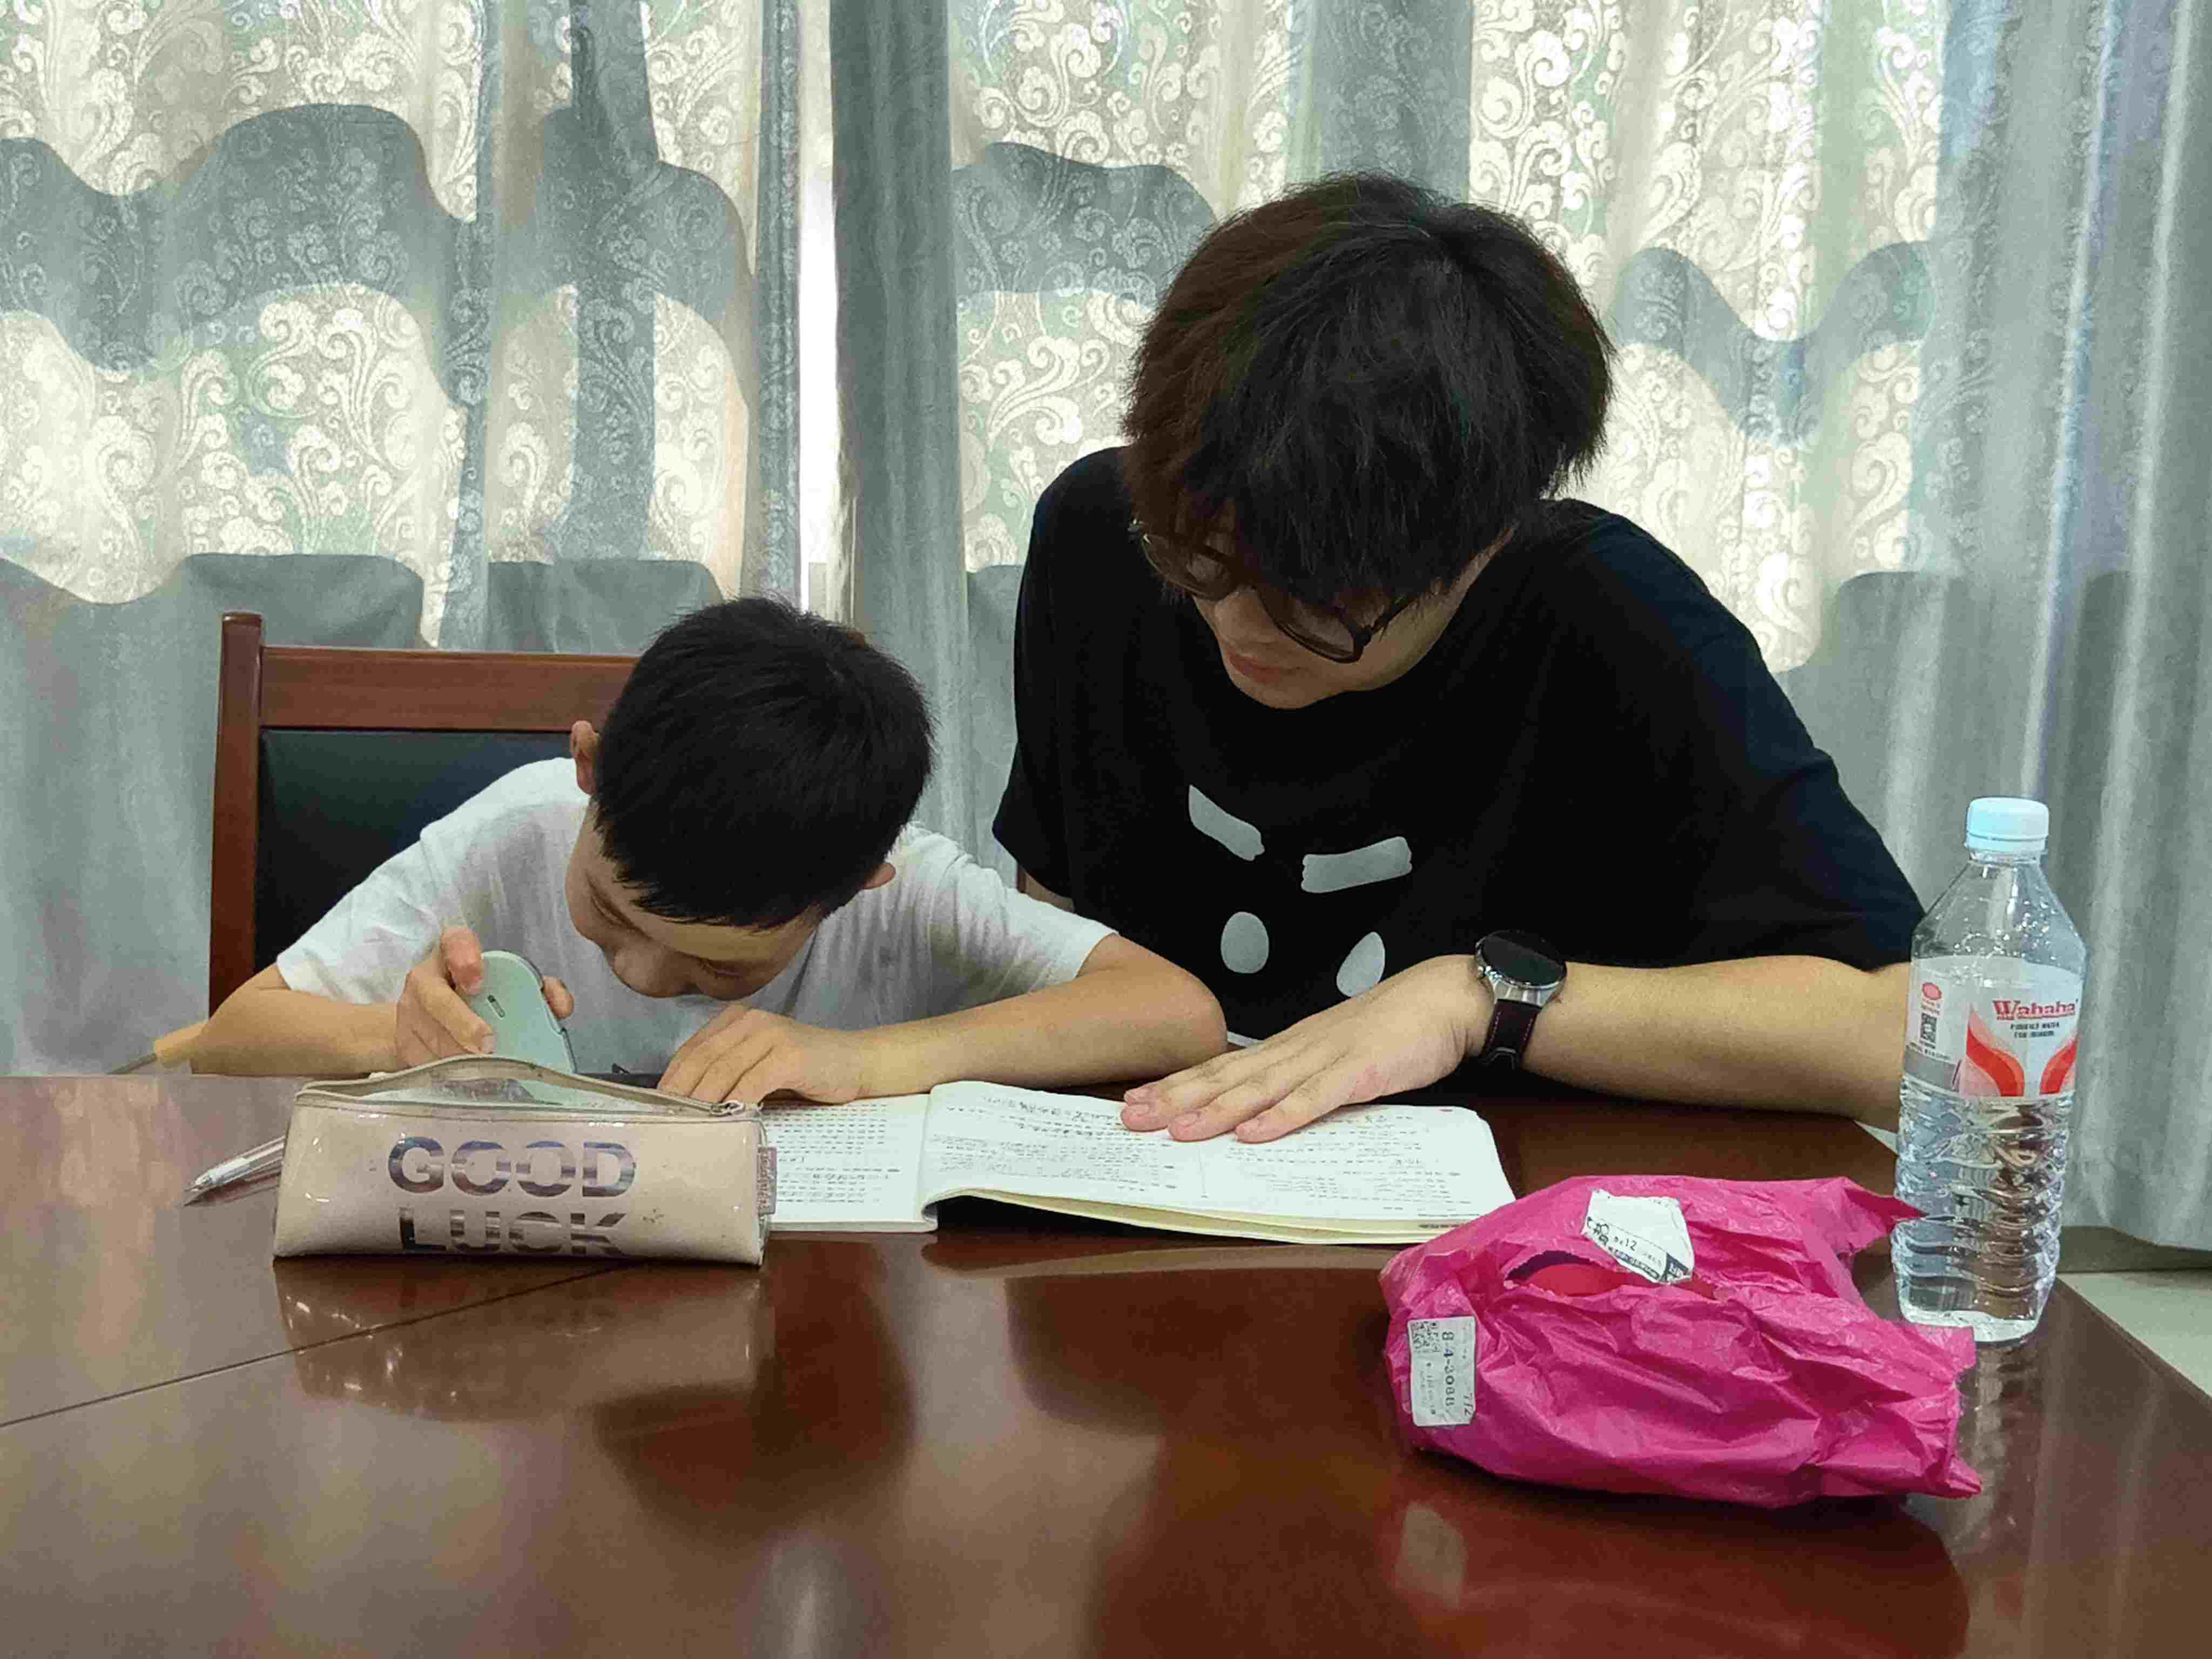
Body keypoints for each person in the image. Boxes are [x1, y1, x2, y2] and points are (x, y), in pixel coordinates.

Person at [992, 173, 1923, 1144]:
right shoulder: (1101, 537)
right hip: (1141, 1181)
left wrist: (1484, 1000)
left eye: (1318, 603)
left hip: (1500, 1215)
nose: (1238, 625)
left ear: (1485, 543)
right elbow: (1054, 924)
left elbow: (1901, 1038)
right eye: (1201, 564)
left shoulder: (1612, 619)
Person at [196, 598, 1224, 1101]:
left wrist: (864, 1060)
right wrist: (399, 1039)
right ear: (589, 767)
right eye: (606, 913)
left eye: (718, 968)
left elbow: (1177, 1013)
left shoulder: (906, 893)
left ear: (858, 888)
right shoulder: (517, 829)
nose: (643, 976)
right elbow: (231, 1037)